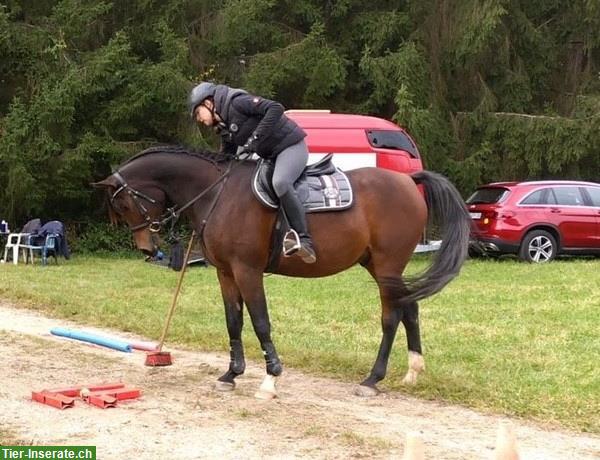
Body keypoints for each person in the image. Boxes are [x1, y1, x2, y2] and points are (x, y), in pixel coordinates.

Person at [188, 82, 316, 264]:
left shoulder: (237, 102)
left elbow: (275, 108)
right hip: (271, 156)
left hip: (291, 146)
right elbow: (227, 157)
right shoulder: (223, 124)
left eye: (197, 113)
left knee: (280, 183)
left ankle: (304, 240)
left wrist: (254, 139)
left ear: (208, 103)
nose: (199, 119)